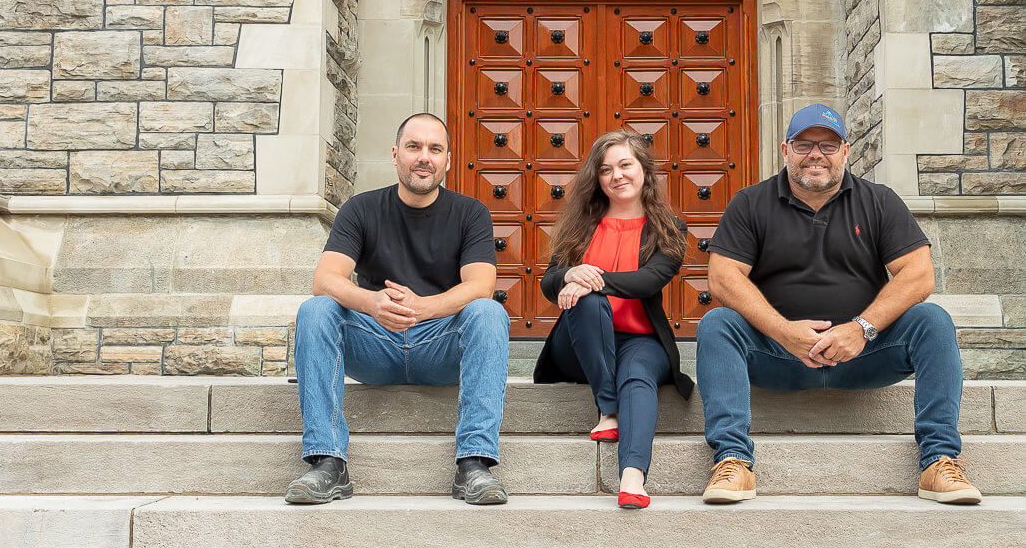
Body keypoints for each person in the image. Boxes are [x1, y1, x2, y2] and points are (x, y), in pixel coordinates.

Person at [698, 104, 981, 505]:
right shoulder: (751, 202)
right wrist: (784, 333)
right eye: (804, 144)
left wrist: (860, 329)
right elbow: (723, 278)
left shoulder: (879, 201)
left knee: (932, 319)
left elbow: (920, 275)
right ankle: (733, 462)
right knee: (717, 323)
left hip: (864, 354)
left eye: (828, 145)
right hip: (778, 356)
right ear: (785, 150)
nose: (816, 154)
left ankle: (939, 461)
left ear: (846, 151)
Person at [286, 113, 511, 505]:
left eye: (434, 149)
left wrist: (424, 308)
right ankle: (327, 463)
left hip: (439, 346)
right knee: (316, 309)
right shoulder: (360, 209)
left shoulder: (470, 212)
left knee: (489, 312)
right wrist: (371, 302)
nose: (424, 157)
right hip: (375, 343)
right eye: (414, 147)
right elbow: (325, 279)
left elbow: (482, 284)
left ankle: (474, 464)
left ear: (447, 160)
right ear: (395, 154)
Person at [533, 131, 694, 509]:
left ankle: (632, 477)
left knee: (638, 374)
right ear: (597, 178)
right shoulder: (581, 224)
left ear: (643, 170)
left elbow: (649, 280)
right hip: (581, 342)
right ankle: (608, 408)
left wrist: (590, 277)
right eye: (606, 169)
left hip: (641, 339)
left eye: (625, 165)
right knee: (585, 303)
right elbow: (549, 281)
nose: (616, 175)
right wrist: (570, 276)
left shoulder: (670, 228)